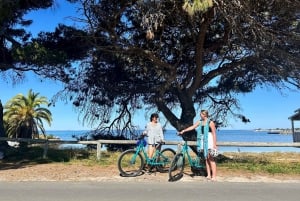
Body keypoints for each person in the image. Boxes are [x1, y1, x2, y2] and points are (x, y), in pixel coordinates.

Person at [178, 109, 218, 181]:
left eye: (201, 114)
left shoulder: (210, 122)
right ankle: (208, 175)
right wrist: (183, 131)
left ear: (204, 115)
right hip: (202, 140)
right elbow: (192, 127)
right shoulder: (200, 122)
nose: (200, 115)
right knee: (206, 158)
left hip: (209, 140)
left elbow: (214, 133)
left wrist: (215, 144)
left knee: (211, 158)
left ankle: (214, 176)